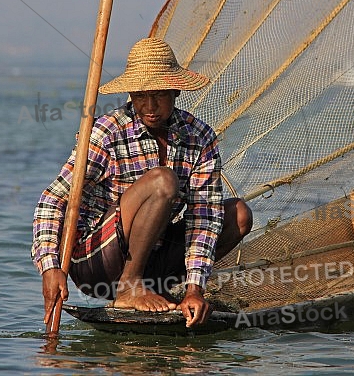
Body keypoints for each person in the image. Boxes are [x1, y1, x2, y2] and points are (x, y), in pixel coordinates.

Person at [32, 37, 253, 328]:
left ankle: (156, 288)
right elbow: (53, 199)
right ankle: (130, 288)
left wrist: (194, 290)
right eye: (140, 95)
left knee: (237, 215)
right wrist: (50, 268)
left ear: (176, 90)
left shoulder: (198, 137)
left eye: (160, 94)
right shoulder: (107, 132)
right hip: (98, 261)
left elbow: (204, 218)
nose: (149, 106)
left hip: (154, 259)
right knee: (163, 181)